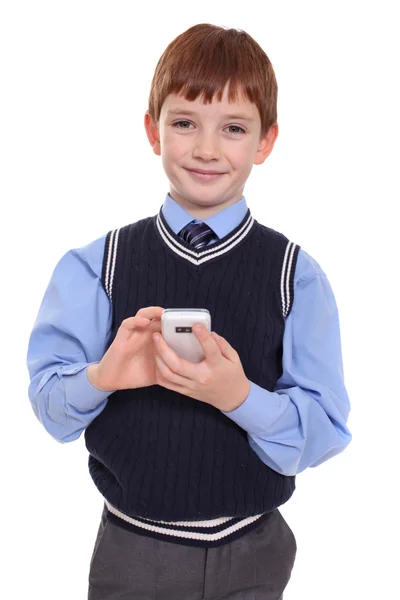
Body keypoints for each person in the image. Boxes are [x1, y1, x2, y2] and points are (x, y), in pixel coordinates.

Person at [26, 23, 352, 600]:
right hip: (132, 549)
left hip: (256, 549)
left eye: (233, 128)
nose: (206, 149)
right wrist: (103, 378)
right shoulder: (95, 267)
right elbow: (53, 410)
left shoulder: (295, 275)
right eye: (184, 123)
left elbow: (324, 430)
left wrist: (239, 396)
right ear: (153, 131)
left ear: (266, 141)